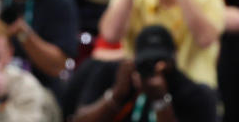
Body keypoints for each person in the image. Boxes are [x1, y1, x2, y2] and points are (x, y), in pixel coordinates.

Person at [72, 25, 218, 122]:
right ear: (133, 58)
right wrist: (117, 95)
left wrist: (160, 100)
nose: (153, 68)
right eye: (145, 62)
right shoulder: (116, 76)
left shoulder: (194, 94)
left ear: (174, 59)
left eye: (160, 61)